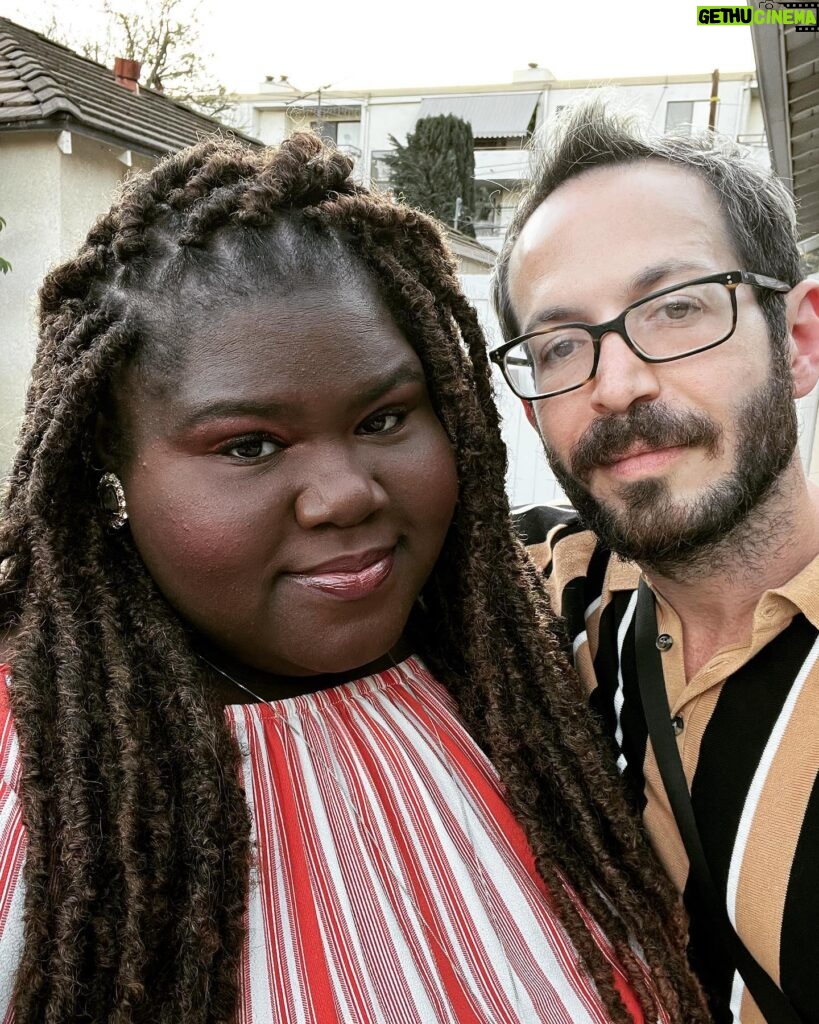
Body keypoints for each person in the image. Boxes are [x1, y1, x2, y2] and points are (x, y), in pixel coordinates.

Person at [0, 133, 706, 1024]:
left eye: (382, 419)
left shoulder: (530, 671)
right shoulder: (45, 759)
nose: (343, 496)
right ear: (110, 460)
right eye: (249, 446)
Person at [490, 100, 819, 1024]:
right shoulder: (551, 597)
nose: (616, 384)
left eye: (675, 311)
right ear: (530, 411)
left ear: (797, 339)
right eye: (560, 345)